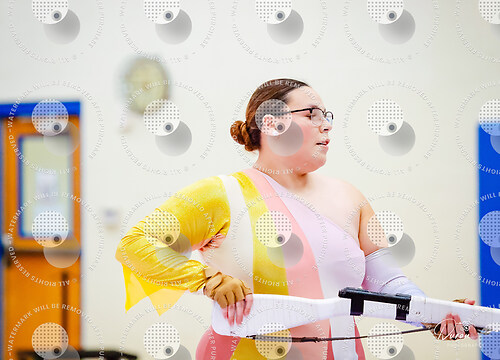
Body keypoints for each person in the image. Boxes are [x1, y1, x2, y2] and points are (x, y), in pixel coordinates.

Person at [116, 78, 478, 360]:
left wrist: (436, 313)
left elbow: (387, 282)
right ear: (272, 123)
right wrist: (206, 279)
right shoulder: (219, 194)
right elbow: (135, 245)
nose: (326, 125)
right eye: (312, 114)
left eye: (327, 116)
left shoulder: (350, 197)